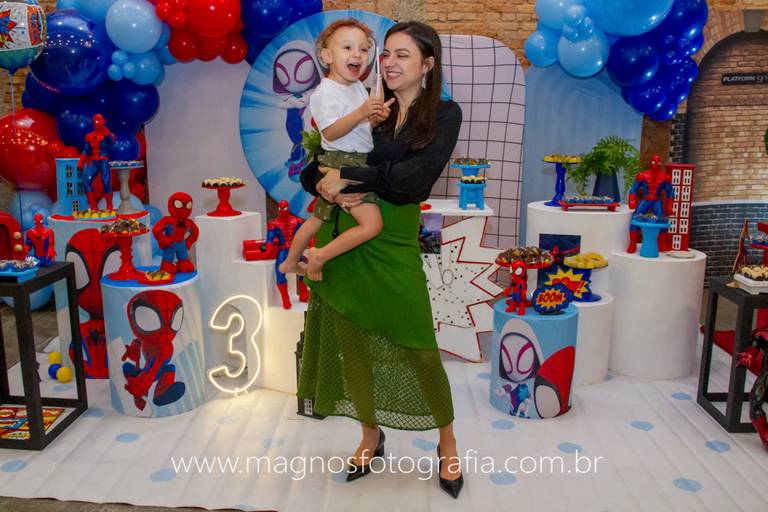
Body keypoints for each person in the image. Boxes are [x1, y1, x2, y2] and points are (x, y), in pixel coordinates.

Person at [296, 21, 465, 498]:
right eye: (385, 53)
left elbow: (413, 181)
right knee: (354, 345)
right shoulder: (366, 102)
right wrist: (321, 182)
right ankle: (370, 436)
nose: (388, 62)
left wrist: (350, 178)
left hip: (392, 240)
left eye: (401, 55)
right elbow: (315, 161)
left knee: (419, 344)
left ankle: (448, 443)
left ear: (427, 64)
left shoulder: (444, 114)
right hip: (344, 232)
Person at [280, 19, 390, 281]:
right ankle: (320, 255)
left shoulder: (356, 88)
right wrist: (362, 112)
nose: (357, 54)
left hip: (352, 158)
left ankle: (290, 262)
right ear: (327, 56)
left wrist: (375, 119)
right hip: (344, 162)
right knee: (372, 224)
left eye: (363, 49)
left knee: (317, 219)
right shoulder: (325, 92)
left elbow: (359, 129)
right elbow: (330, 132)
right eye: (348, 47)